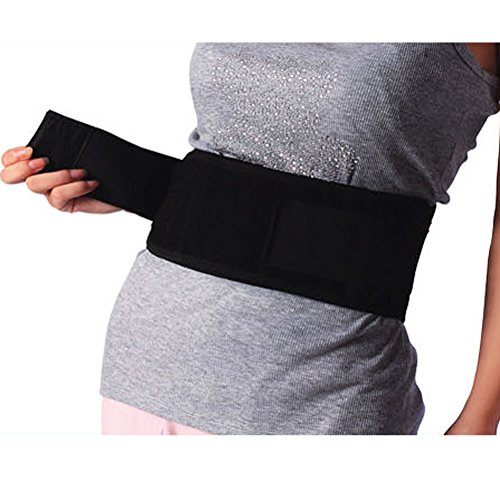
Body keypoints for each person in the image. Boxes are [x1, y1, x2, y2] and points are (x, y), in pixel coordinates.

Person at [2, 43, 500, 435]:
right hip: (144, 374)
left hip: (317, 401)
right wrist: (145, 189)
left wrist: (480, 422)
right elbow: (247, 167)